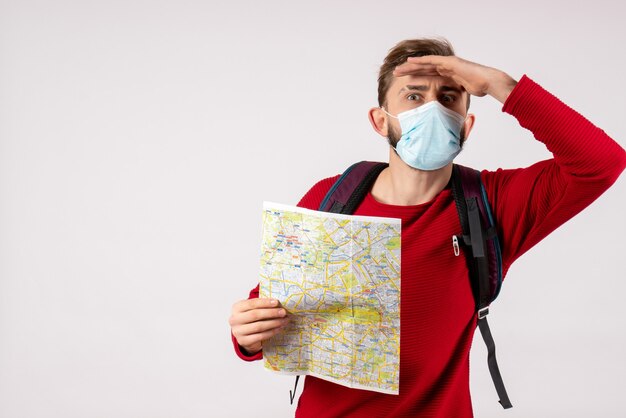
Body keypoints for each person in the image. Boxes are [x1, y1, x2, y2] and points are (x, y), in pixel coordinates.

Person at [228, 38, 626, 417]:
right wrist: (247, 335)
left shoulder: (494, 204)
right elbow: (272, 312)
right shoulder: (331, 198)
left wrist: (500, 85)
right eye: (414, 96)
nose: (432, 109)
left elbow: (602, 162)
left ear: (467, 125)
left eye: (448, 97)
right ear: (380, 121)